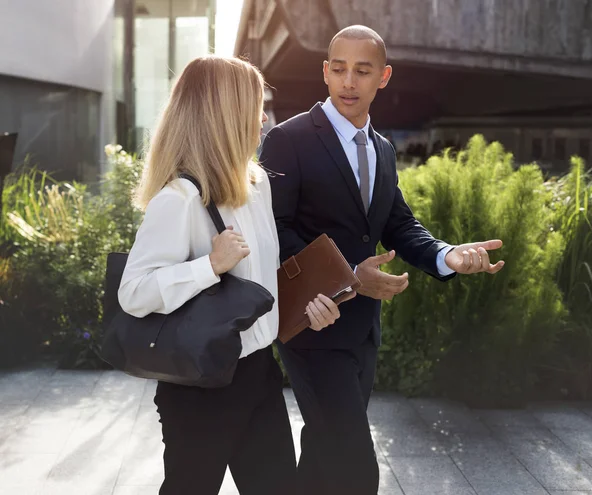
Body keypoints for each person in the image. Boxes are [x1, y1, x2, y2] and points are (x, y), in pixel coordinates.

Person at [259, 25, 505, 495]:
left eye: (362, 71)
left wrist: (448, 256)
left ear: (383, 77)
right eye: (339, 69)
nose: (349, 81)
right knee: (355, 467)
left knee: (323, 453)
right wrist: (349, 277)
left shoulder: (383, 149)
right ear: (325, 72)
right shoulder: (288, 140)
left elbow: (399, 223)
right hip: (313, 326)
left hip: (362, 333)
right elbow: (275, 230)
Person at [117, 56, 342, 495]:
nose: (263, 118)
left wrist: (307, 310)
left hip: (258, 373)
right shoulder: (180, 197)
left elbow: (261, 283)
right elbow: (134, 292)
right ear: (224, 113)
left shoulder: (256, 184)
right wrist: (209, 266)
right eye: (254, 105)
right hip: (199, 386)